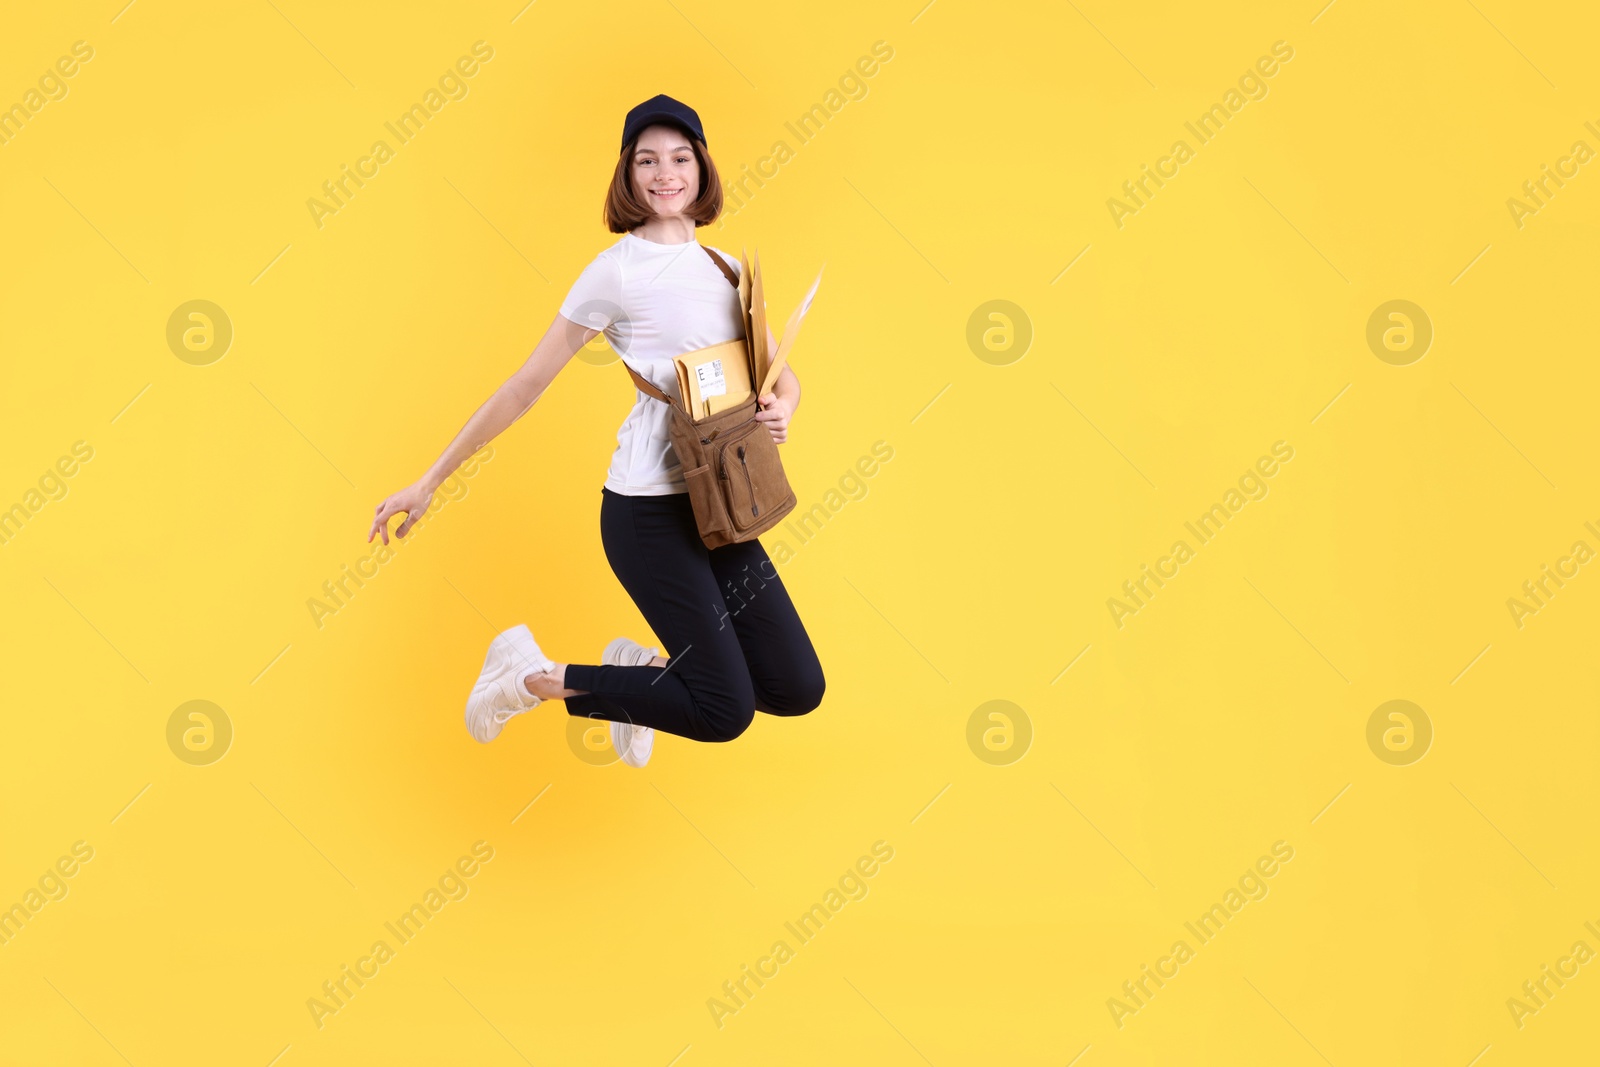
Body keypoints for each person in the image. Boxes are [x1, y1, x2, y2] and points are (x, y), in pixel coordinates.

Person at [368, 94, 825, 768]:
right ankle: (530, 674)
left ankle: (644, 668)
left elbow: (778, 375)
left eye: (679, 157)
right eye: (647, 160)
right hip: (650, 512)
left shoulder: (726, 268)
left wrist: (786, 407)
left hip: (724, 506)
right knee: (724, 711)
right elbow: (523, 386)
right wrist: (430, 479)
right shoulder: (615, 272)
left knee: (795, 685)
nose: (664, 173)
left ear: (701, 168)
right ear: (628, 174)